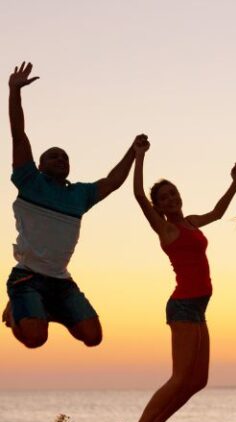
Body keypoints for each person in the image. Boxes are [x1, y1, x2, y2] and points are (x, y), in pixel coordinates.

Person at [119, 137, 236, 422]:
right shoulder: (166, 228)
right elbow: (138, 196)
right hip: (183, 306)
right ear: (160, 206)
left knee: (198, 381)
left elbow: (217, 212)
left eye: (173, 193)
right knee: (179, 378)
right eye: (164, 197)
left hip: (198, 309)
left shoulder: (191, 222)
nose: (170, 199)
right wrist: (139, 155)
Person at [5, 62, 141, 349]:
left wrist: (133, 151)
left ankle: (40, 309)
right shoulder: (30, 181)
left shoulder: (79, 195)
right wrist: (14, 91)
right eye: (53, 156)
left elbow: (113, 181)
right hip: (27, 276)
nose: (60, 159)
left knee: (93, 338)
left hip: (60, 281)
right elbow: (18, 134)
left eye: (65, 157)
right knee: (35, 339)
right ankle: (20, 307)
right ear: (40, 165)